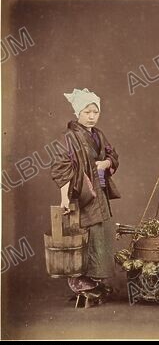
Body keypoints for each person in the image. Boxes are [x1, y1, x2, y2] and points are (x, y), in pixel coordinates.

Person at [51, 88, 120, 305]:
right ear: (77, 112)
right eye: (87, 111)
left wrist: (106, 163)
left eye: (95, 112)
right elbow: (62, 168)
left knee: (100, 235)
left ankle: (95, 282)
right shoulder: (68, 138)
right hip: (81, 195)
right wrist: (64, 198)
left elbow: (112, 153)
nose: (92, 116)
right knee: (83, 237)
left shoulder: (98, 134)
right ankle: (82, 283)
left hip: (99, 193)